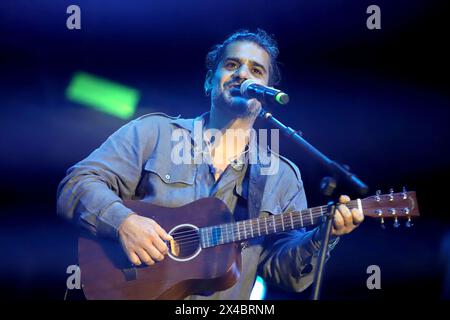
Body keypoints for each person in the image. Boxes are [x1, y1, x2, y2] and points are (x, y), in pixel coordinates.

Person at [56, 29, 364, 300]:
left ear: (267, 94)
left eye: (256, 70)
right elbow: (77, 184)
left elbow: (288, 274)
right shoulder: (154, 132)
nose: (243, 74)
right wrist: (123, 222)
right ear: (209, 80)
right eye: (232, 65)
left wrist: (326, 235)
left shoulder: (281, 177)